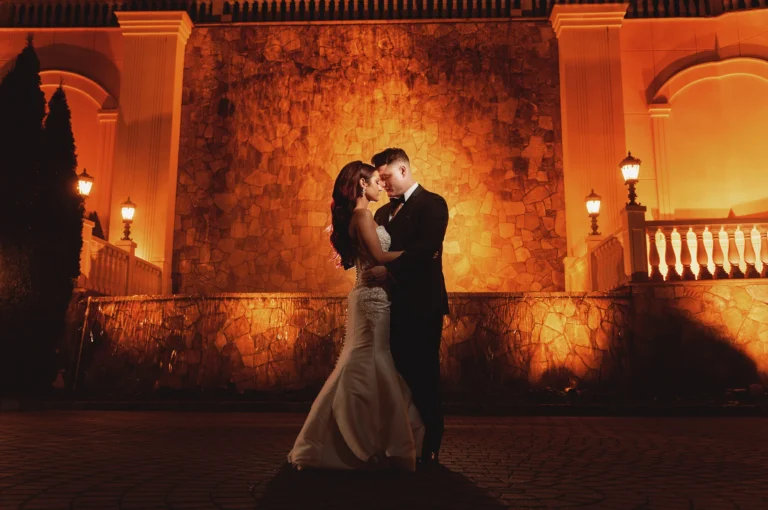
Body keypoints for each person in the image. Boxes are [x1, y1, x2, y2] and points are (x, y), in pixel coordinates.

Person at [287, 161, 424, 471]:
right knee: (366, 362)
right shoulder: (362, 216)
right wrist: (418, 254)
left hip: (372, 298)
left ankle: (355, 437)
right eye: (375, 180)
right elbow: (378, 257)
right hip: (371, 301)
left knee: (362, 362)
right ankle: (369, 439)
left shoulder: (362, 216)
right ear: (362, 185)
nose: (381, 185)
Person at [366, 148, 450, 466]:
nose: (383, 183)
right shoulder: (382, 214)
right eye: (379, 179)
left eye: (386, 177)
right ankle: (404, 438)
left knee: (425, 372)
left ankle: (432, 440)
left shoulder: (433, 204)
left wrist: (390, 271)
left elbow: (427, 248)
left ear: (403, 170)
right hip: (388, 306)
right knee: (395, 374)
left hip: (423, 304)